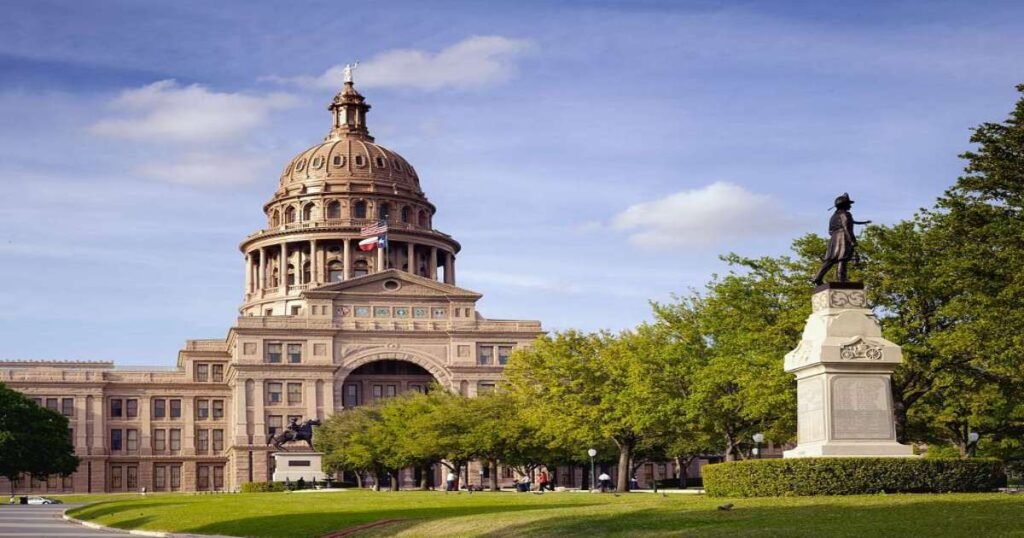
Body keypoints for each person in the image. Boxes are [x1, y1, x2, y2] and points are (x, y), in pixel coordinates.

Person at [812, 193, 872, 285]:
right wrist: (852, 240)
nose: (850, 206)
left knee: (830, 259)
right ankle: (841, 279)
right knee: (842, 258)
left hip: (834, 238)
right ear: (844, 204)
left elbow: (830, 231)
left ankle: (817, 277)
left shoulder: (833, 216)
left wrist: (835, 236)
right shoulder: (846, 214)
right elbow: (846, 227)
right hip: (843, 237)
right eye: (849, 204)